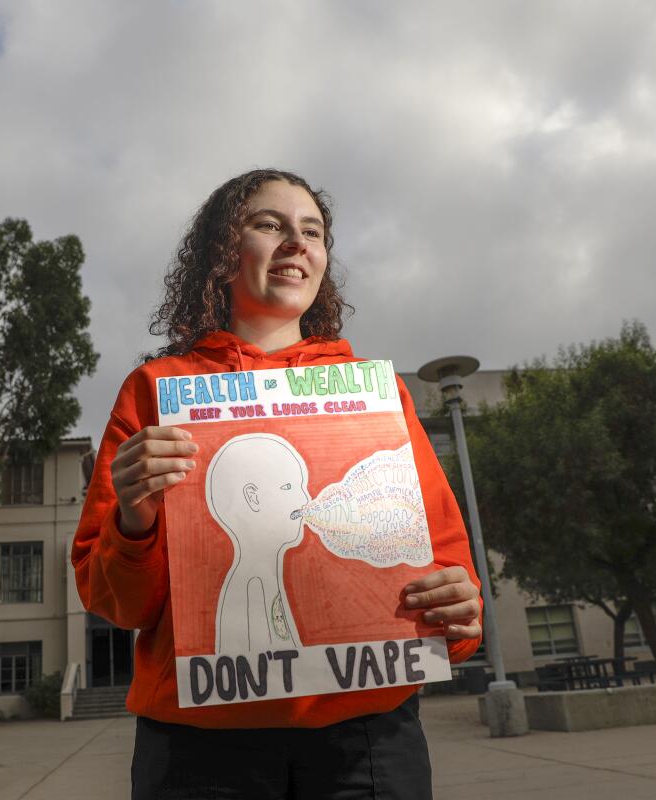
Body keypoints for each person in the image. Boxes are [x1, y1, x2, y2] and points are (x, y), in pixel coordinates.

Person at [72, 169, 483, 799]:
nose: (296, 242)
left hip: (369, 742)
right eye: (270, 225)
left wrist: (459, 611)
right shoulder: (156, 392)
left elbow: (445, 562)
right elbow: (119, 605)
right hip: (199, 751)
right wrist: (134, 520)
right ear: (222, 251)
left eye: (312, 231)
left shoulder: (375, 398)